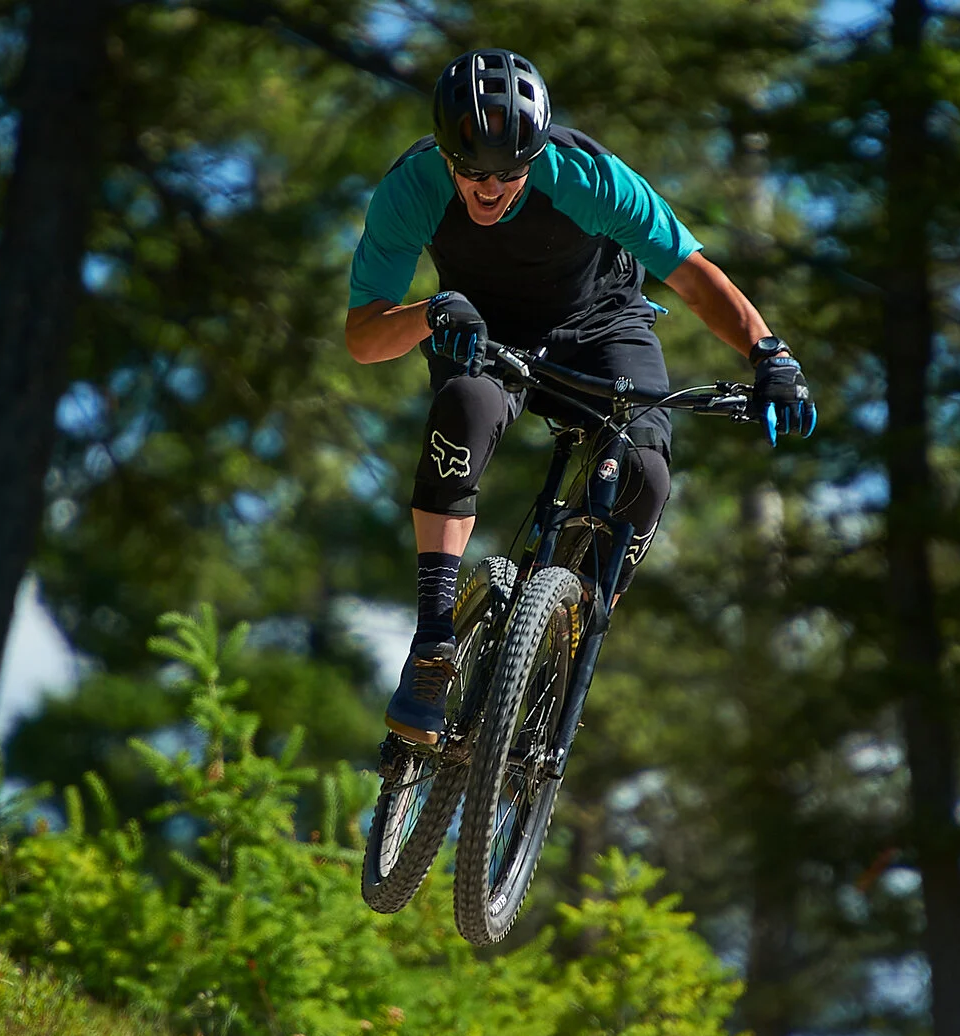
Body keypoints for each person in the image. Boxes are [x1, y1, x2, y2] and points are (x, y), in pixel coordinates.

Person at [347, 48, 816, 744]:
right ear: (445, 155)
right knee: (465, 408)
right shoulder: (412, 187)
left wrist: (769, 354)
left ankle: (562, 643)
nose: (489, 187)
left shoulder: (588, 177)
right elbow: (364, 338)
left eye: (509, 172)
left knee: (646, 473)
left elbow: (692, 277)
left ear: (537, 155)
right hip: (481, 325)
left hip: (600, 324)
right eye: (471, 171)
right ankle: (433, 641)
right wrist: (433, 312)